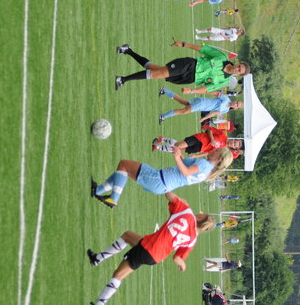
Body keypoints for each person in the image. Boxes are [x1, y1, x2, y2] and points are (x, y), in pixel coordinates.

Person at [87, 192, 215, 304]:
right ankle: (97, 258)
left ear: (200, 217)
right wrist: (182, 264)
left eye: (201, 214)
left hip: (148, 248)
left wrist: (181, 200)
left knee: (118, 275)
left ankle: (100, 303)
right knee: (128, 236)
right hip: (156, 256)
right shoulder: (193, 240)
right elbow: (177, 258)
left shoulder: (186, 212)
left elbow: (168, 194)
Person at [90, 147, 233, 208]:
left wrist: (176, 157)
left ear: (219, 158)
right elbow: (186, 167)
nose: (214, 150)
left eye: (217, 151)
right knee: (124, 169)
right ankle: (98, 190)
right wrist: (178, 154)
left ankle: (113, 199)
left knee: (124, 165)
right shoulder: (207, 171)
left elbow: (186, 172)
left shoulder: (204, 164)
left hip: (158, 179)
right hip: (161, 184)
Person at [113, 42, 249, 91]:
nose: (237, 69)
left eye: (239, 71)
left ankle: (128, 50)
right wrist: (184, 44)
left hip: (189, 78)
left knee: (153, 69)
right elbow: (203, 49)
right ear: (238, 63)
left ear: (238, 75)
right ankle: (123, 79)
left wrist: (192, 91)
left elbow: (207, 88)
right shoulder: (222, 57)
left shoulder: (224, 81)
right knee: (158, 74)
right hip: (189, 65)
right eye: (239, 66)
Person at [157, 87, 243, 124]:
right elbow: (215, 93)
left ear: (236, 108)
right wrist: (204, 91)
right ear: (236, 100)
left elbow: (213, 113)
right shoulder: (226, 99)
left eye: (237, 105)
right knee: (184, 111)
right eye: (237, 102)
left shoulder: (226, 110)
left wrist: (204, 118)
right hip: (201, 103)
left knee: (183, 102)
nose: (235, 104)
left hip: (201, 106)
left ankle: (164, 90)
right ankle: (163, 116)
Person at [152, 128, 244, 154]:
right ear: (234, 139)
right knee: (178, 145)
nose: (233, 143)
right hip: (200, 139)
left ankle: (159, 145)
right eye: (234, 142)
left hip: (200, 148)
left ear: (233, 148)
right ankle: (160, 143)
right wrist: (212, 139)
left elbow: (209, 152)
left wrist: (197, 155)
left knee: (178, 150)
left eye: (234, 145)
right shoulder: (223, 135)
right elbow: (209, 130)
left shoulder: (224, 150)